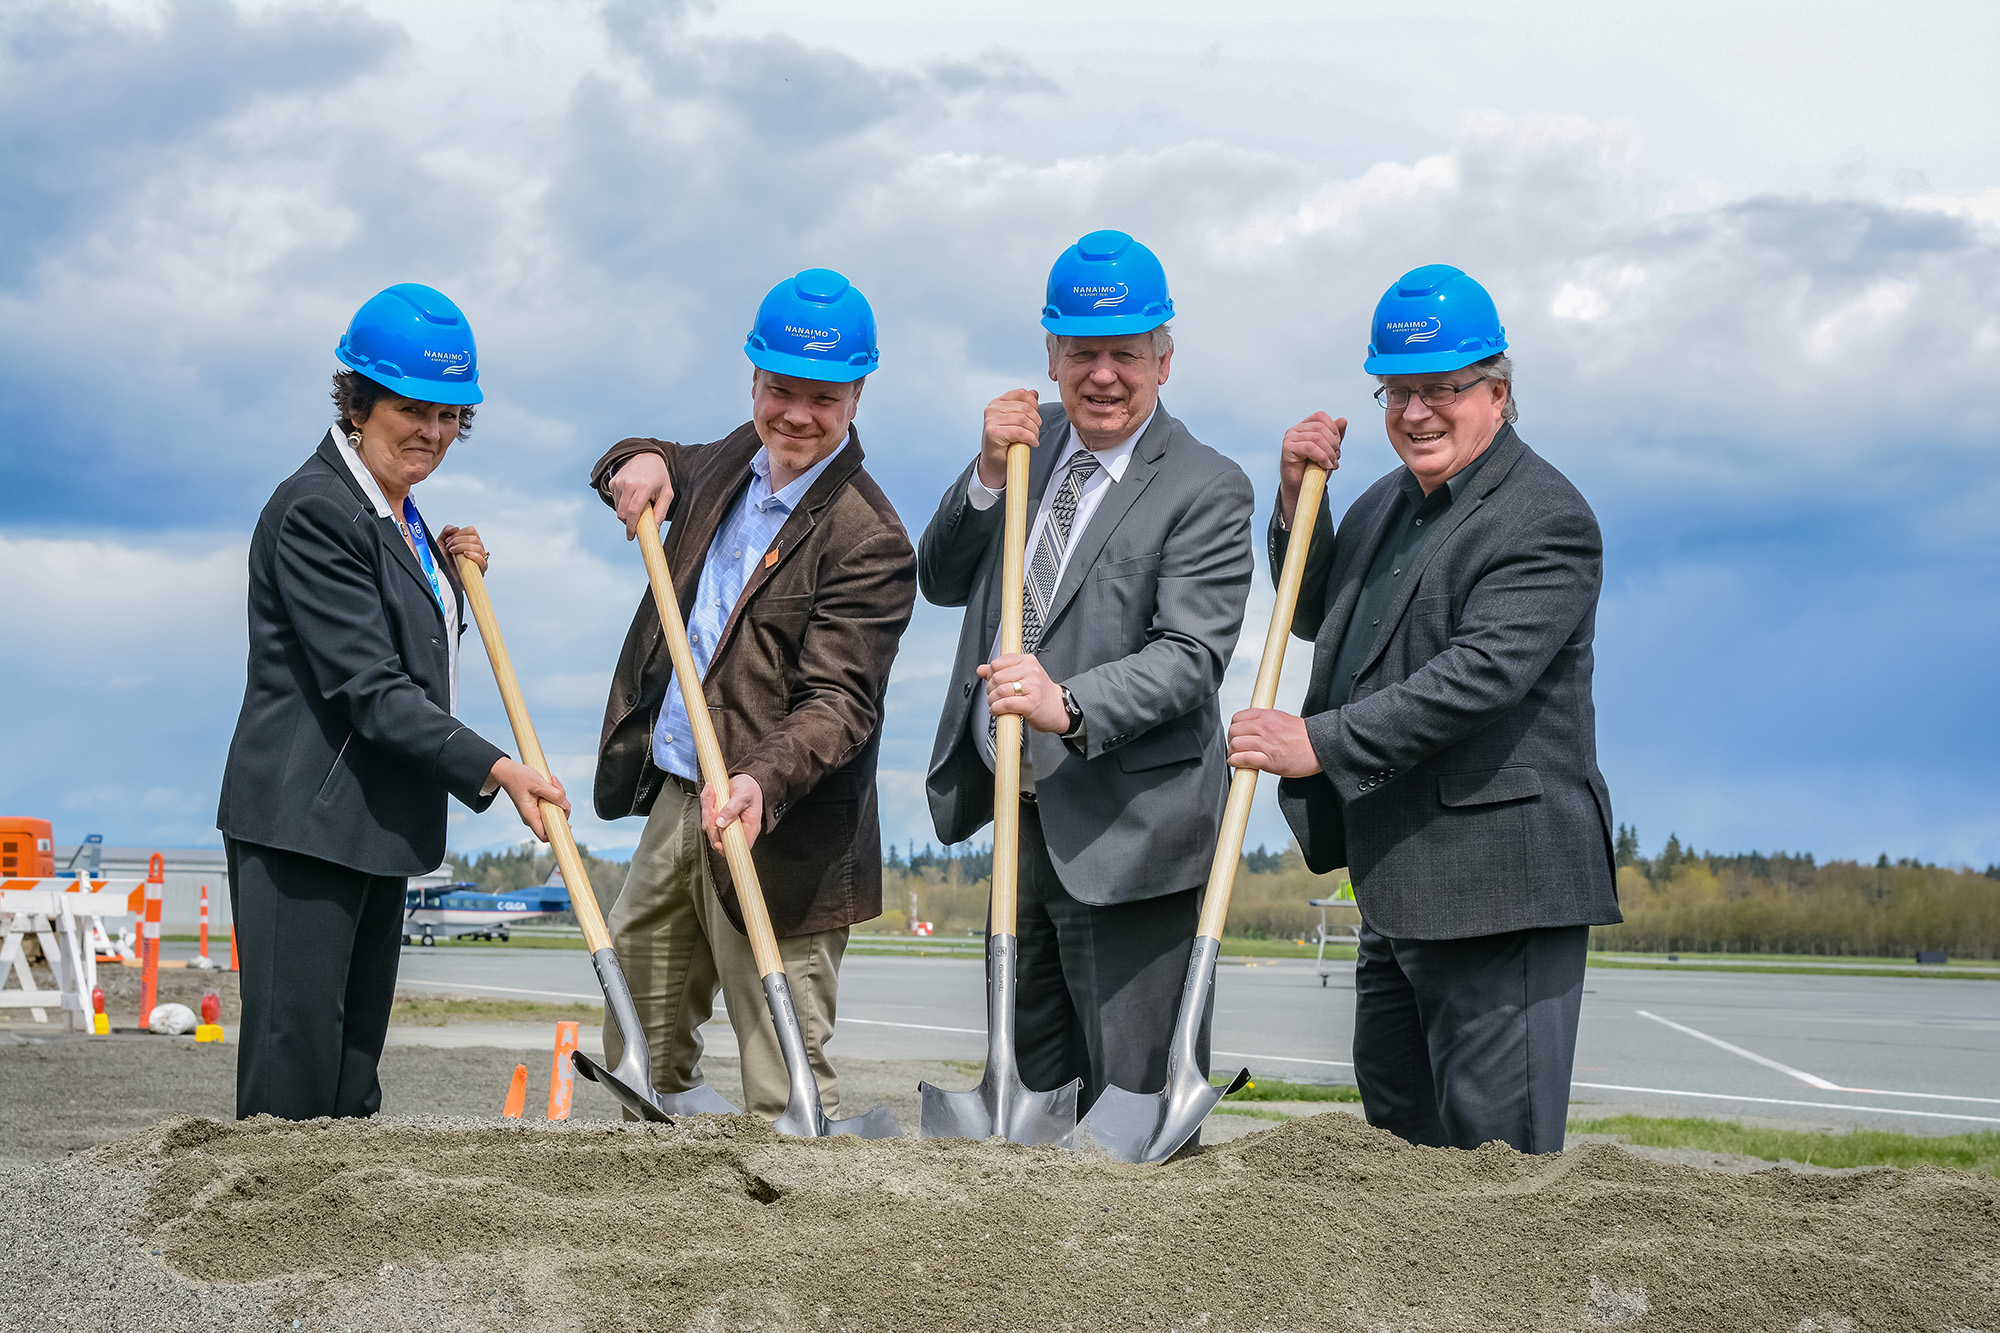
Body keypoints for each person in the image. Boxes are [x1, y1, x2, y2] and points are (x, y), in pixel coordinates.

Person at [1227, 264, 1621, 1154]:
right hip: (1399, 887)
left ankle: (1520, 1302)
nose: (1416, 413)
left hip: (1499, 891)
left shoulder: (1545, 518)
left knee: (1496, 1164)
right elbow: (1320, 607)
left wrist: (1316, 742)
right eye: (1398, 391)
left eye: (1442, 388)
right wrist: (1296, 499)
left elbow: (1477, 676)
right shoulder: (1385, 503)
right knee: (1399, 1150)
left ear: (1499, 392)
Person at [920, 230, 1254, 1113]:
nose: (1103, 375)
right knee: (1031, 1090)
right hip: (1018, 821)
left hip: (1132, 835)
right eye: (1083, 352)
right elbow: (942, 577)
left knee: (1128, 1103)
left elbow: (1190, 659)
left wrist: (1065, 702)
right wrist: (987, 476)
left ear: (1165, 358)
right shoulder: (1027, 450)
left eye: (1126, 354)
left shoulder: (1207, 487)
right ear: (1052, 353)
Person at [217, 283, 566, 1121]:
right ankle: (255, 1244)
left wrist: (449, 576)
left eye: (453, 417)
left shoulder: (397, 513)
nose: (436, 434)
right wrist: (494, 767)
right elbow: (372, 688)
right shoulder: (315, 510)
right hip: (303, 825)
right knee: (295, 1068)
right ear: (359, 399)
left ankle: (333, 1245)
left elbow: (410, 638)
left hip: (369, 826)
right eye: (416, 409)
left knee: (351, 1070)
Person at [589, 268, 915, 1121]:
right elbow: (636, 460)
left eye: (822, 397)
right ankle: (669, 1183)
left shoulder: (870, 539)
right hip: (677, 800)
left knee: (783, 1075)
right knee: (640, 1035)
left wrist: (760, 780)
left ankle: (800, 1234)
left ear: (858, 392)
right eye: (779, 391)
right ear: (755, 378)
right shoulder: (734, 458)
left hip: (782, 826)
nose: (796, 416)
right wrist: (641, 460)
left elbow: (841, 704)